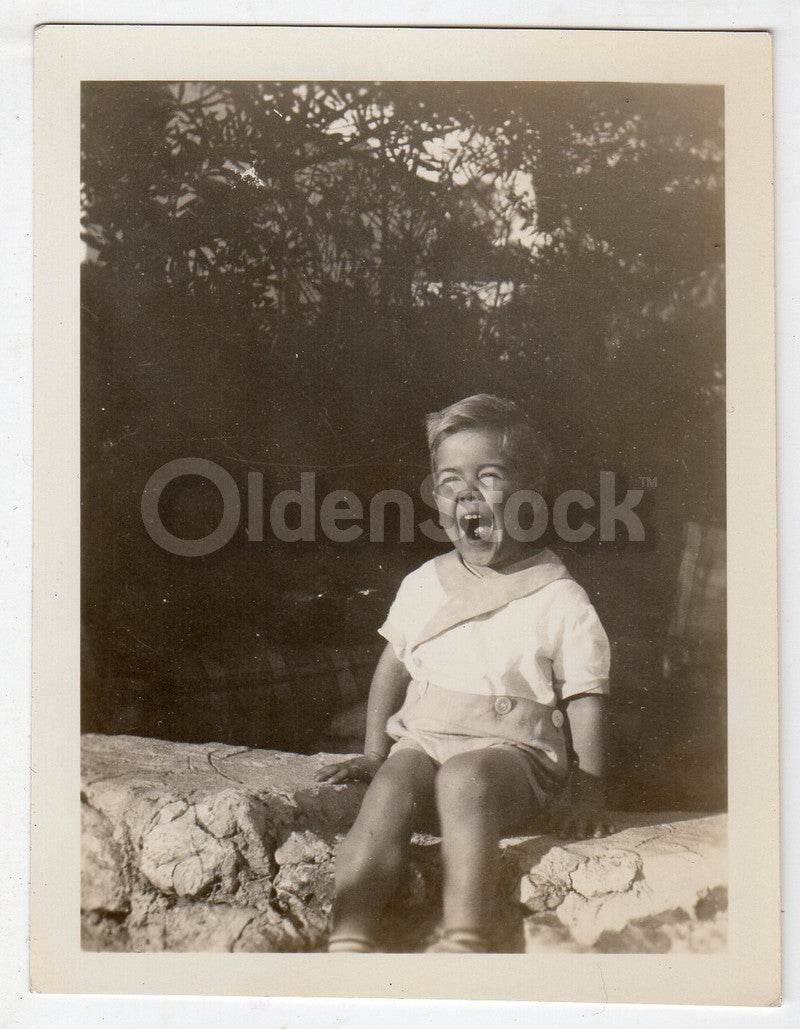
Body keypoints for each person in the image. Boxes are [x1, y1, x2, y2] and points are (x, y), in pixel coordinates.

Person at [315, 394, 612, 953]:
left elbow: (586, 698)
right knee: (390, 787)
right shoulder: (425, 583)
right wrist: (376, 752)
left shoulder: (559, 597)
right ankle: (349, 935)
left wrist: (589, 790)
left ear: (530, 497)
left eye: (490, 476)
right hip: (426, 744)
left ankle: (465, 937)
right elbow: (393, 667)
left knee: (465, 779)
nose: (467, 493)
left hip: (512, 766)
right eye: (450, 481)